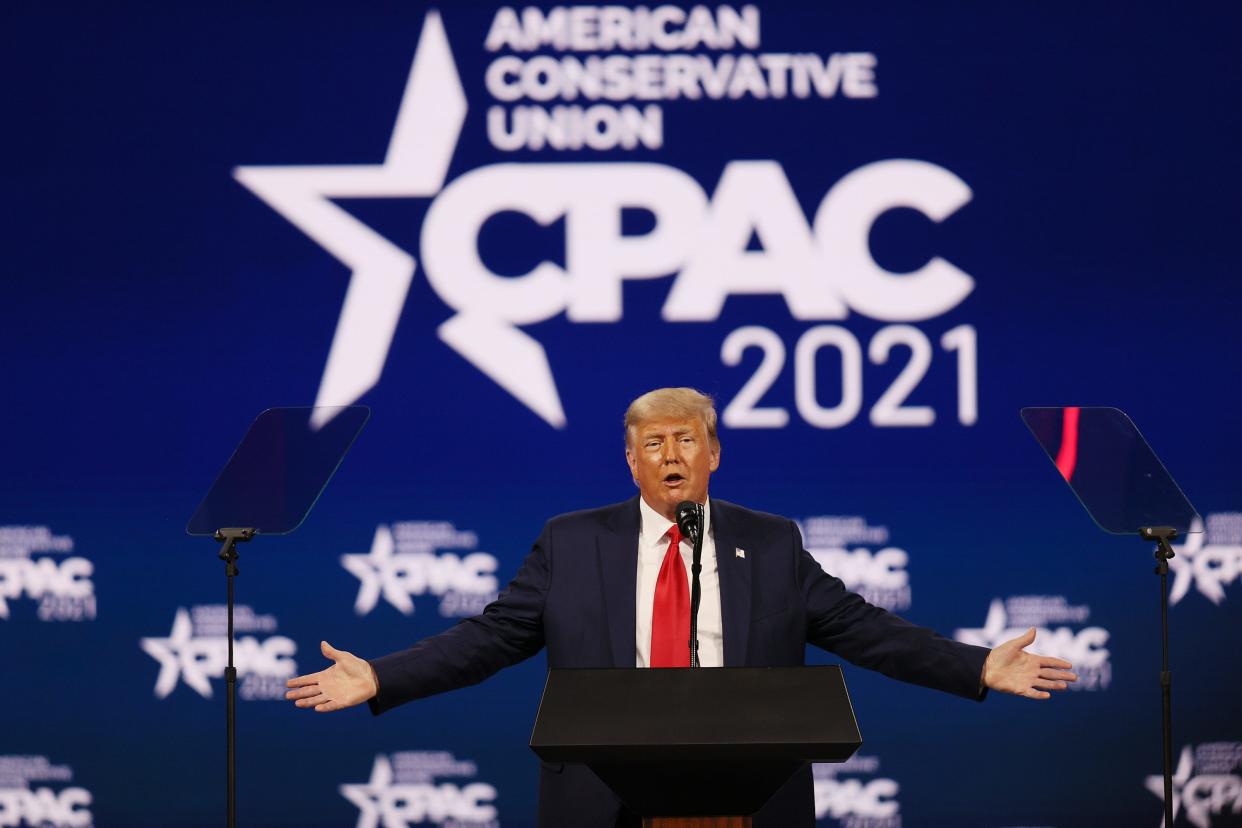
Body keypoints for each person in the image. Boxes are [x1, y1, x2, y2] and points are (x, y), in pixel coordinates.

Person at [286, 387, 1077, 827]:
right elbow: (491, 638)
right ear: (629, 460)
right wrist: (383, 678)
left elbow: (864, 629)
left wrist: (975, 666)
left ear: (715, 453)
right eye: (654, 443)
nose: (672, 456)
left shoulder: (768, 542)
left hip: (746, 792)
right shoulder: (571, 541)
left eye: (687, 441)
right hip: (604, 793)